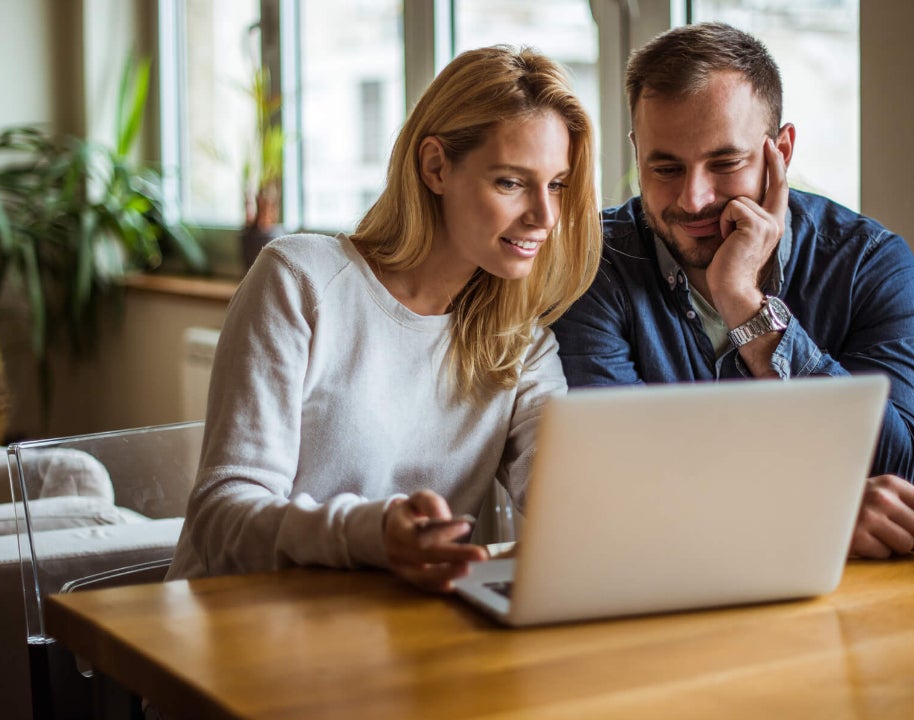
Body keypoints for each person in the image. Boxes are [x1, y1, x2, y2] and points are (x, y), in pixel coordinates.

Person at [166, 46, 601, 592]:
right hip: (236, 629)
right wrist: (371, 535)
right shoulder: (300, 282)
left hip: (393, 636)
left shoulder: (522, 342)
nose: (545, 216)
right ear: (436, 167)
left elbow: (561, 494)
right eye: (511, 183)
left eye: (557, 184)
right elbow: (220, 519)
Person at [551, 22, 914, 559]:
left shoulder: (868, 263)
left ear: (780, 151)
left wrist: (746, 304)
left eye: (725, 163)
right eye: (665, 167)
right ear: (636, 152)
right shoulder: (591, 264)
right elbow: (614, 483)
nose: (694, 199)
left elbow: (901, 471)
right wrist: (813, 511)